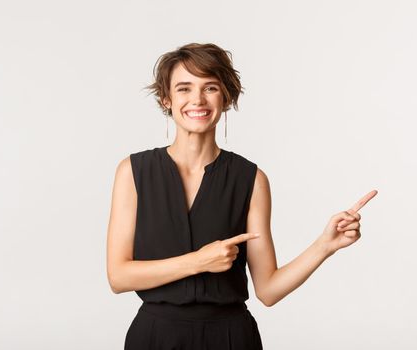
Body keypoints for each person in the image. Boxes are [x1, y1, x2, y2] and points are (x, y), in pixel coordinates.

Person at [106, 42, 378, 349]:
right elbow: (118, 276)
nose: (197, 99)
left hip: (230, 337)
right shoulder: (132, 172)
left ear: (226, 98)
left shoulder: (252, 179)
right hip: (155, 337)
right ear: (166, 99)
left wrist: (324, 246)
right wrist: (198, 262)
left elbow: (268, 290)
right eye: (184, 88)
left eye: (210, 87)